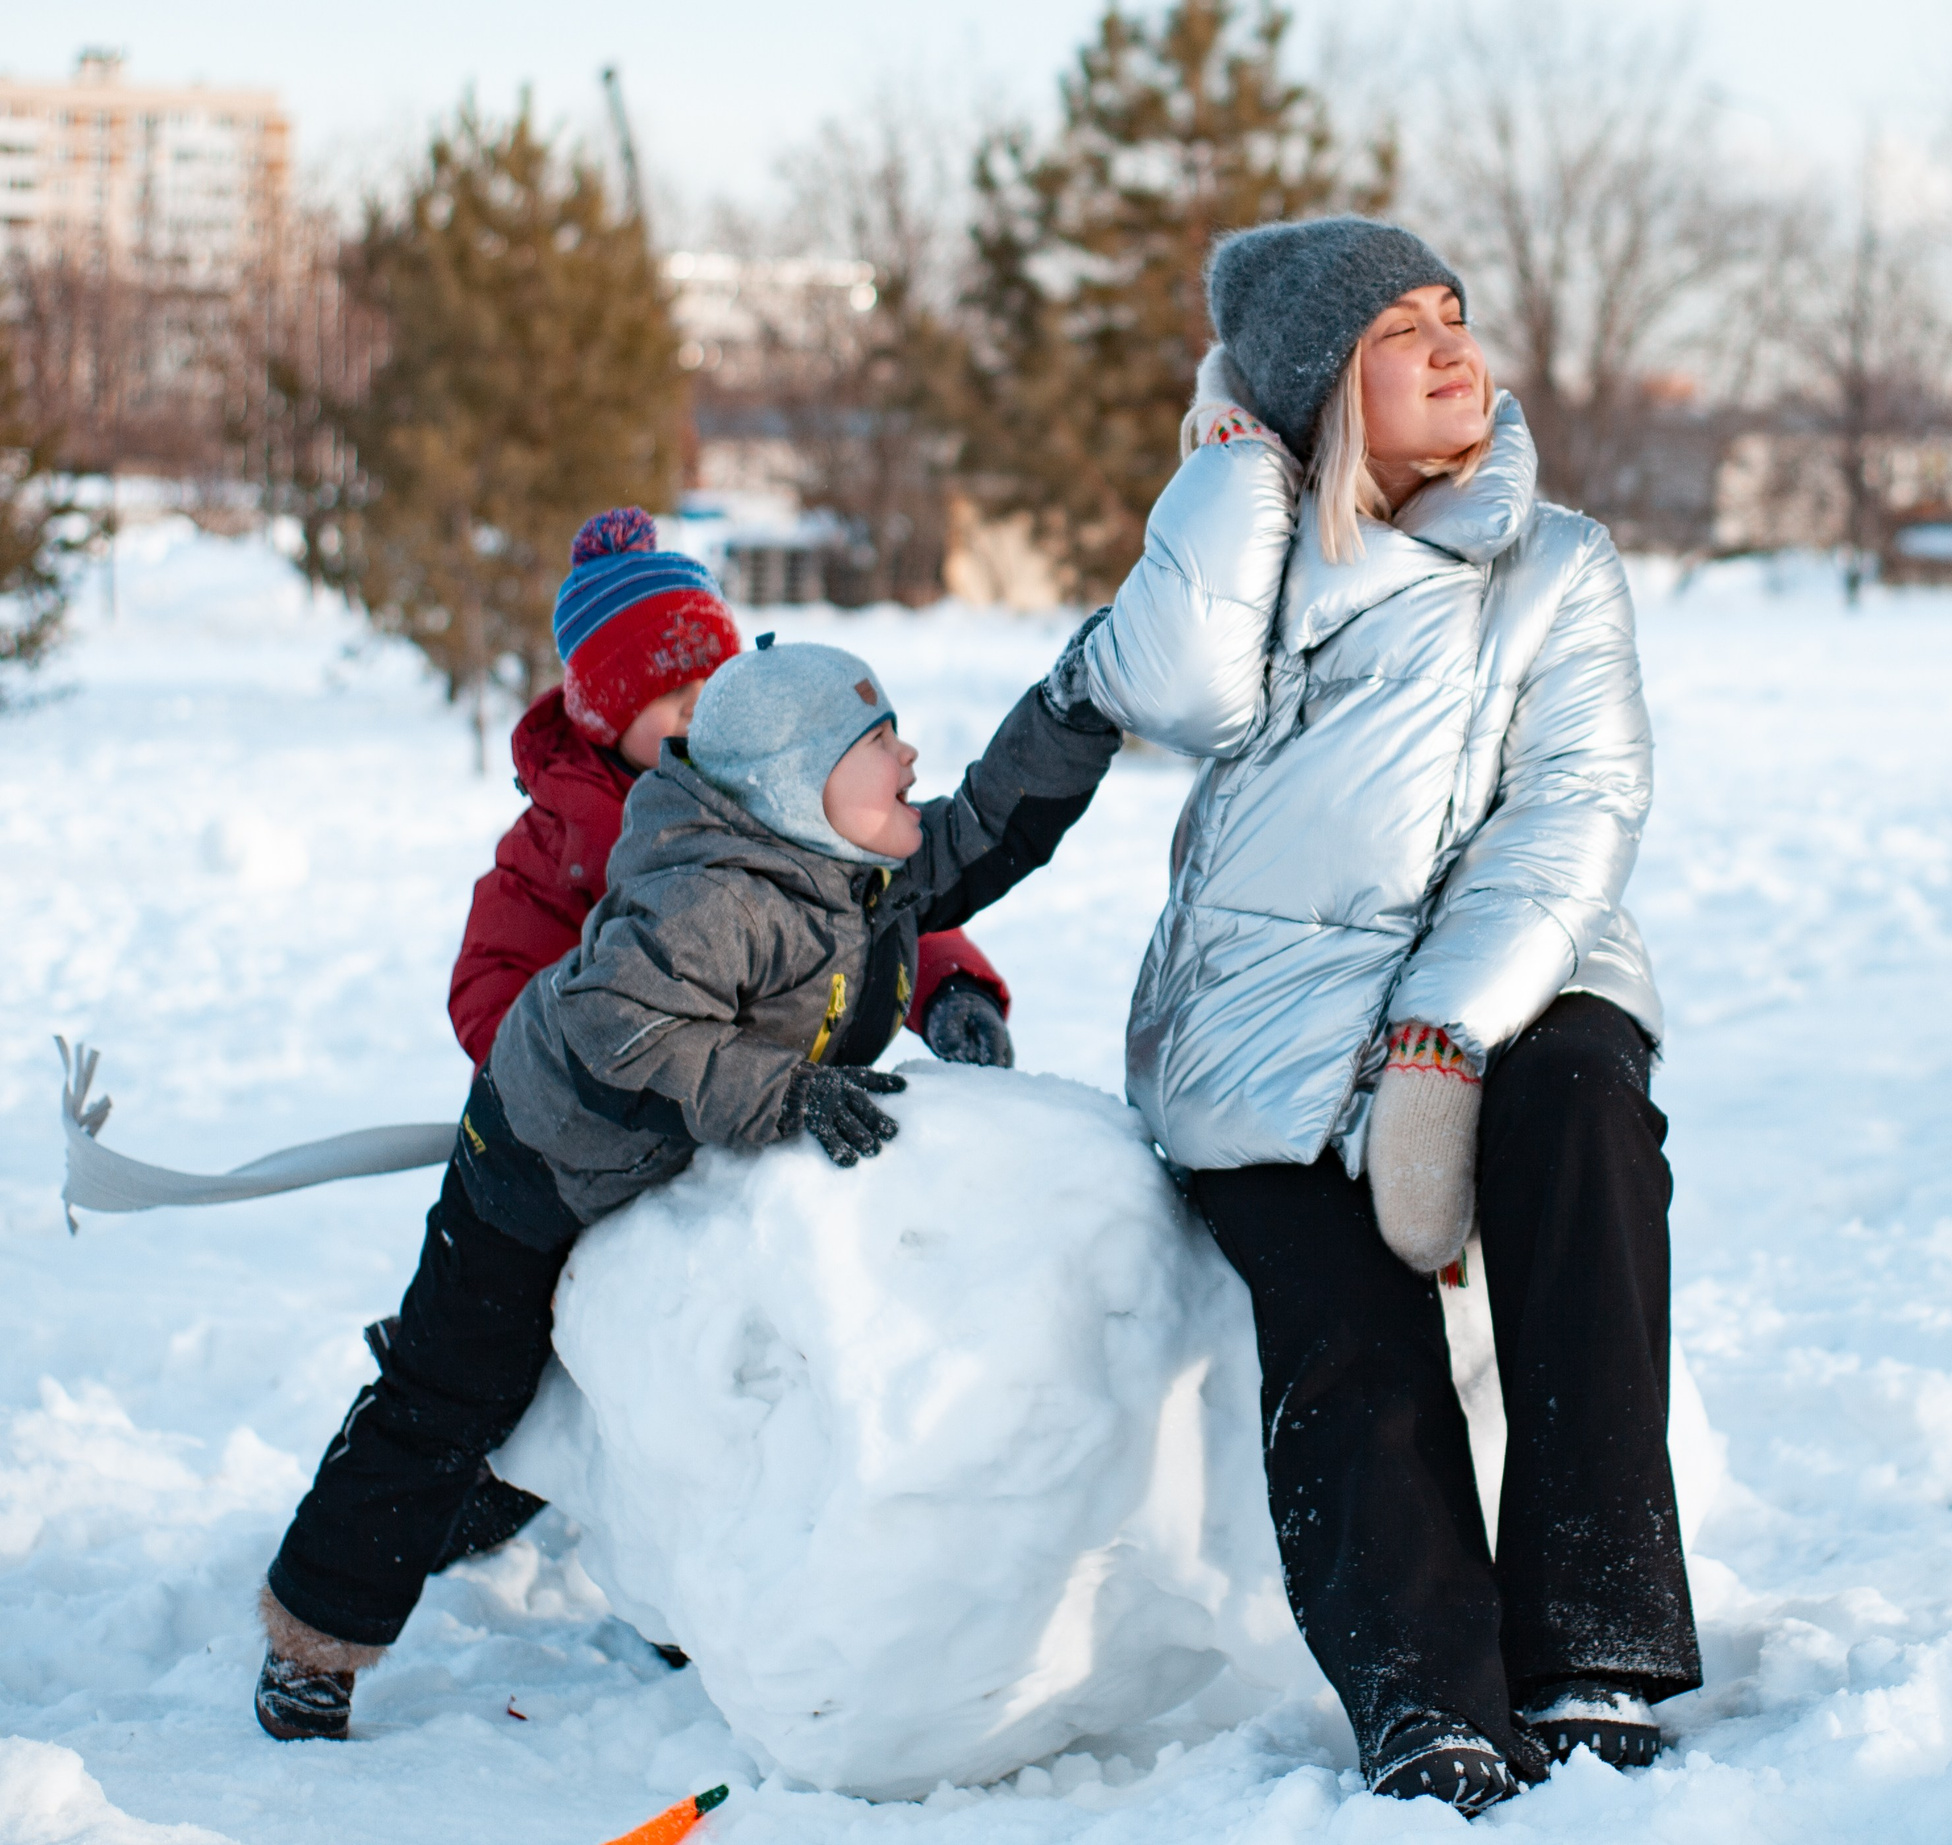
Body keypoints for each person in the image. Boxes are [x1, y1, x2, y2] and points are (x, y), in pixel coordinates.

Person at [1070, 217, 1699, 1813]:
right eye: (1400, 331)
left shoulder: (1556, 563)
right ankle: (1430, 1699)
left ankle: (1597, 1635)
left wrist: (1441, 1037)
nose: (1454, 349)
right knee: (1343, 1318)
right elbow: (1174, 694)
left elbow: (1575, 809)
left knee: (1585, 1118)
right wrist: (1226, 469)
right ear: (1320, 387)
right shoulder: (1254, 556)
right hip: (1269, 1029)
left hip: (1510, 976)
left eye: (1454, 315)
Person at [252, 628, 1120, 1741]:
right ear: (798, 784)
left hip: (668, 1168)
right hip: (539, 1168)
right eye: (880, 742)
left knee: (674, 1367)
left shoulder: (856, 869)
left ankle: (679, 1592)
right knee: (452, 1394)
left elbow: (992, 824)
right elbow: (625, 1025)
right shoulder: (713, 898)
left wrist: (1075, 706)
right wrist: (789, 1094)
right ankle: (315, 1639)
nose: (910, 761)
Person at [447, 507, 1016, 1075]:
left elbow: (876, 892)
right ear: (605, 714)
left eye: (715, 682)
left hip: (792, 1093)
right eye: (670, 689)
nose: (698, 705)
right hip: (650, 1105)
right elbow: (495, 976)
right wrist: (556, 1078)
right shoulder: (554, 848)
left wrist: (950, 985)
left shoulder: (767, 788)